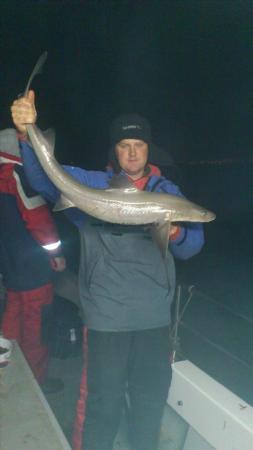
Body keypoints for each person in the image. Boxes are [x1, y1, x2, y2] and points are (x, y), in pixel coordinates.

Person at [11, 90, 204, 450]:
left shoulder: (166, 191)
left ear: (149, 149)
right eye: (124, 145)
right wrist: (27, 132)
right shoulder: (91, 183)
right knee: (103, 404)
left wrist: (173, 227)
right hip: (106, 318)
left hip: (153, 318)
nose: (132, 153)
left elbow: (193, 246)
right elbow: (40, 179)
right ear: (115, 151)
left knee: (149, 404)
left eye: (139, 145)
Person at [0, 127, 66, 393]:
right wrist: (56, 254)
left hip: (11, 269)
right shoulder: (21, 175)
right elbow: (39, 220)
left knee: (11, 320)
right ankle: (36, 386)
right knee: (37, 331)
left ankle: (6, 366)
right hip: (34, 270)